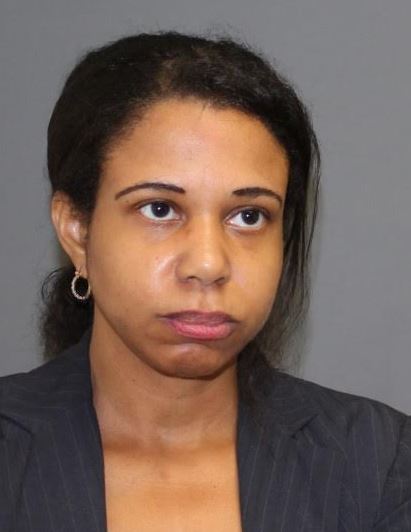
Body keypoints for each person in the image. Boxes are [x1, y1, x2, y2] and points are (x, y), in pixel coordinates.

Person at [0, 30, 409, 532]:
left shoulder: (380, 466)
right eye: (160, 209)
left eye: (249, 216)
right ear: (77, 230)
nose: (210, 263)